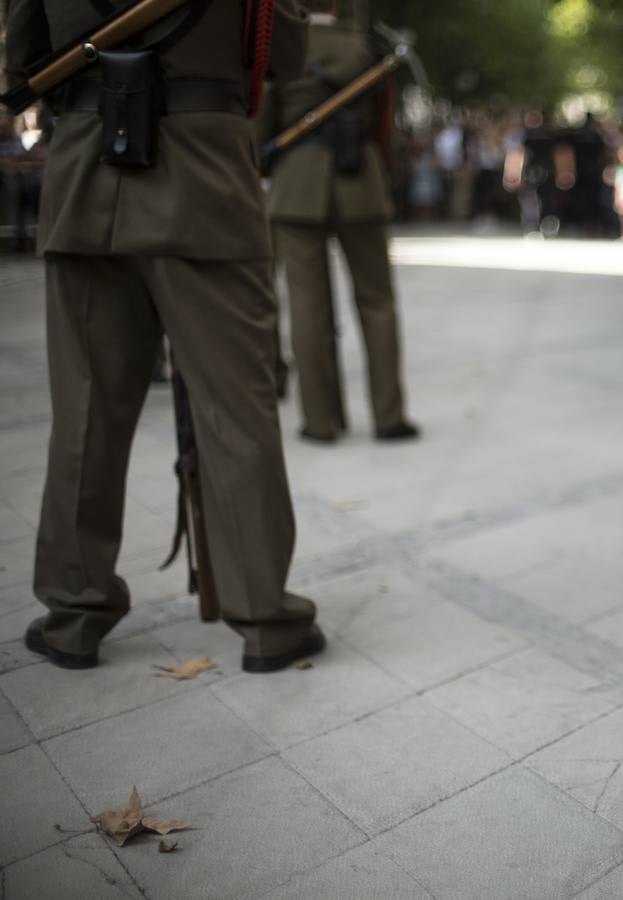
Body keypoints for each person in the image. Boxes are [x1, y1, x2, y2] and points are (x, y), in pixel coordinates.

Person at [6, 0, 325, 672]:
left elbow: (23, 57)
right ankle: (266, 618)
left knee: (85, 409)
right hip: (202, 173)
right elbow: (288, 54)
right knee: (235, 406)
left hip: (88, 167)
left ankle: (73, 614)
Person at [257, 0, 419, 444]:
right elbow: (384, 124)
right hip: (360, 180)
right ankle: (390, 416)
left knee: (308, 309)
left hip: (296, 184)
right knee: (377, 303)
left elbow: (260, 127)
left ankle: (321, 421)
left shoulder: (282, 46)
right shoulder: (366, 46)